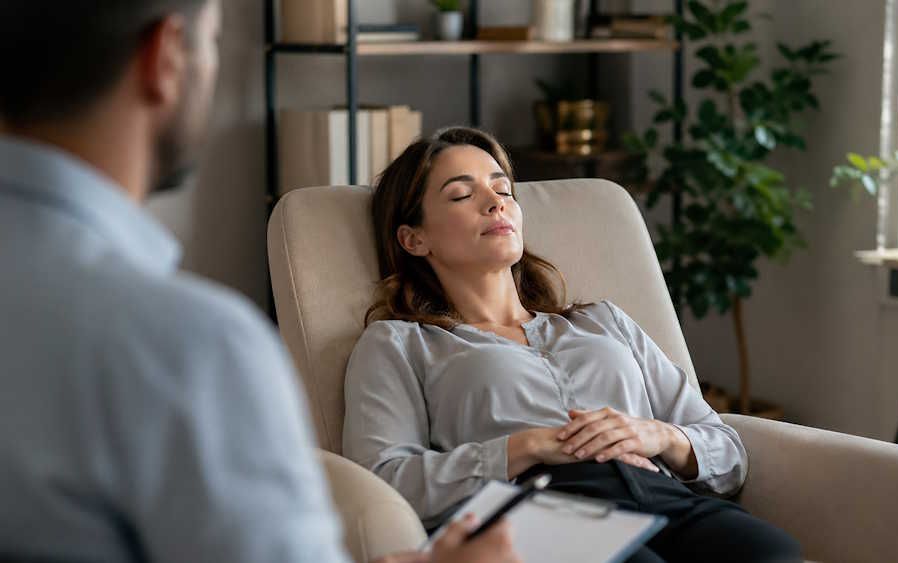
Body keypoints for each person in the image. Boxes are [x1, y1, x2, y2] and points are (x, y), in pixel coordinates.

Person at [0, 2, 517, 562]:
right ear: (166, 56)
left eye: (502, 186)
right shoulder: (189, 346)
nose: (494, 202)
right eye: (214, 44)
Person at [342, 126, 803, 563]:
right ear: (413, 238)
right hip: (538, 506)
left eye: (503, 191)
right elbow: (384, 480)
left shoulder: (603, 321)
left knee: (773, 554)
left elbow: (728, 451)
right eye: (463, 195)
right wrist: (528, 446)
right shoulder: (399, 343)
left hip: (660, 492)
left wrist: (655, 433)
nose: (495, 204)